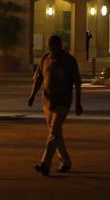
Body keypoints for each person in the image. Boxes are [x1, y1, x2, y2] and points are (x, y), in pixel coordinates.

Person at [28, 35, 83, 176]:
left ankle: (45, 164)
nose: (51, 49)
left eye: (54, 46)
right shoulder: (45, 59)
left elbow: (77, 82)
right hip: (47, 102)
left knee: (53, 133)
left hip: (63, 102)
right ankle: (66, 161)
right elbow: (38, 78)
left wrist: (78, 103)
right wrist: (32, 95)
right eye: (49, 46)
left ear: (60, 46)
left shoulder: (69, 61)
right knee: (56, 134)